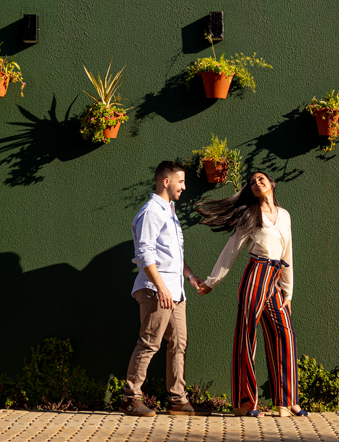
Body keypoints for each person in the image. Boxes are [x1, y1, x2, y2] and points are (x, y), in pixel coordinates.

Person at [196, 171, 309, 418]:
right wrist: (211, 282)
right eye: (252, 183)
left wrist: (288, 292)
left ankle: (286, 402)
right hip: (256, 275)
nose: (257, 184)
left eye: (261, 179)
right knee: (247, 336)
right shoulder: (250, 215)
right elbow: (231, 250)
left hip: (276, 280)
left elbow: (287, 253)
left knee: (286, 336)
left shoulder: (285, 215)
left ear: (272, 184)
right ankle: (244, 402)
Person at [120, 161, 211, 417]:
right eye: (181, 181)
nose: (184, 187)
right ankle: (130, 398)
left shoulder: (169, 211)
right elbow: (145, 252)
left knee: (179, 343)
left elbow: (172, 254)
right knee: (149, 343)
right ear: (166, 181)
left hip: (175, 290)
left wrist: (191, 277)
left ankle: (177, 400)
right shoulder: (152, 211)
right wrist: (161, 287)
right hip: (156, 290)